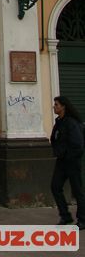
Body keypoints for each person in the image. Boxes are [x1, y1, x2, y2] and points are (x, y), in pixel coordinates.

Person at [50, 95, 85, 229]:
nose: (54, 107)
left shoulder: (71, 123)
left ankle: (82, 219)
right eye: (55, 104)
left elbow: (78, 144)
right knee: (55, 186)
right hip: (62, 161)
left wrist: (69, 156)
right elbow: (55, 139)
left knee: (77, 191)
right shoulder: (59, 122)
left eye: (57, 105)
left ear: (63, 106)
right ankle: (65, 215)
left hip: (72, 162)